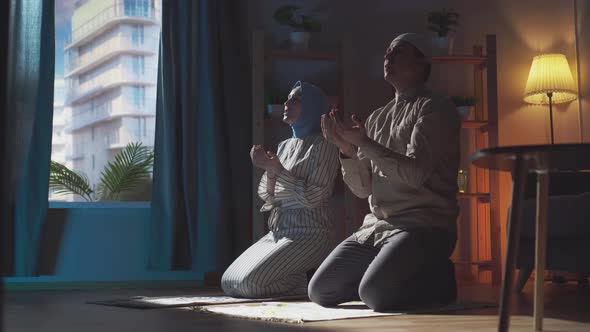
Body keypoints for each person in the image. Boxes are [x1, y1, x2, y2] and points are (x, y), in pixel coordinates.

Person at [308, 33, 461, 311]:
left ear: (421, 63)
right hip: (377, 227)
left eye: (399, 52)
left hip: (424, 226)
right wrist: (345, 150)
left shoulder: (435, 107)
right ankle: (388, 276)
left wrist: (364, 142)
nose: (388, 57)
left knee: (375, 295)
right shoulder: (378, 117)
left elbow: (415, 175)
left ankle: (438, 280)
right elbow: (362, 189)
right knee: (321, 291)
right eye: (387, 52)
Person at [221, 81, 340, 298]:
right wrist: (271, 170)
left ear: (313, 106)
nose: (286, 103)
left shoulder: (325, 145)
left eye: (295, 99)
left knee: (250, 285)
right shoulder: (285, 146)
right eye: (288, 97)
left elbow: (314, 197)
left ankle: (307, 280)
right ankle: (303, 278)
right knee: (229, 283)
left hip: (311, 234)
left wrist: (277, 170)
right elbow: (267, 196)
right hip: (278, 232)